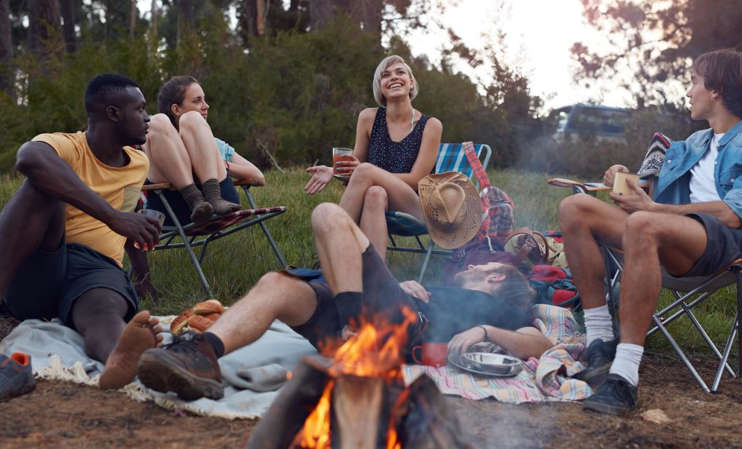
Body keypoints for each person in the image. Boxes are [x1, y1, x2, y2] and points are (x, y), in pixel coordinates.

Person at [558, 49, 742, 415]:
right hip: (665, 231)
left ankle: (624, 377)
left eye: (695, 81)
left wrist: (653, 211)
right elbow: (651, 195)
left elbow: (733, 213)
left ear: (717, 90)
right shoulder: (695, 143)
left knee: (643, 223)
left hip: (727, 244)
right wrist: (625, 182)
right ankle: (600, 341)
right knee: (575, 207)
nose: (689, 91)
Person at [133, 202, 551, 400]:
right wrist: (400, 288)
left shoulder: (503, 309)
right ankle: (201, 353)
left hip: (396, 330)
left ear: (496, 276)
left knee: (329, 215)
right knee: (275, 284)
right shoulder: (446, 292)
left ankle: (355, 331)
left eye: (479, 267)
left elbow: (542, 343)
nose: (469, 268)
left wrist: (483, 330)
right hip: (378, 312)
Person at [0, 73, 164, 390]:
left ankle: (126, 358)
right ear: (113, 113)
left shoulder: (138, 163)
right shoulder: (69, 147)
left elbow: (128, 222)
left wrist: (143, 278)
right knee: (41, 186)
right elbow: (29, 158)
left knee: (103, 311)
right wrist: (112, 217)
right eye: (140, 109)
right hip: (43, 264)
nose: (148, 119)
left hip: (96, 270)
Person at [304, 55, 443, 259]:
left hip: (417, 206)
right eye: (385, 75)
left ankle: (329, 255)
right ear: (380, 87)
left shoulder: (430, 125)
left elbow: (417, 180)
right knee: (375, 194)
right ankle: (376, 279)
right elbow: (355, 165)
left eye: (400, 72)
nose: (393, 77)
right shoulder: (368, 118)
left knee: (367, 172)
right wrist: (335, 171)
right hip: (380, 198)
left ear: (411, 82)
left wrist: (369, 172)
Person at [144, 75, 265, 226]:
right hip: (172, 209)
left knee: (192, 118)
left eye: (204, 100)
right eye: (197, 101)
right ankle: (194, 199)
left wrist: (217, 162)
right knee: (156, 121)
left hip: (222, 202)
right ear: (176, 109)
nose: (206, 106)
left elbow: (259, 177)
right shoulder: (152, 140)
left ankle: (213, 198)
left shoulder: (214, 144)